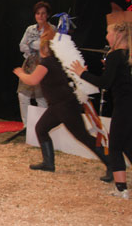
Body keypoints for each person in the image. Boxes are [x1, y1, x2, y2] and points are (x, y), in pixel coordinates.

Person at [13, 25, 111, 178]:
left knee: (83, 137)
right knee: (41, 128)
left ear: (45, 47)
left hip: (64, 105)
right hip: (58, 105)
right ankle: (48, 163)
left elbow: (32, 80)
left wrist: (20, 73)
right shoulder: (55, 61)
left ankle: (112, 164)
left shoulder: (47, 63)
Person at [71, 5, 132, 199]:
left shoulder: (116, 55)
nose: (106, 36)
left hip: (125, 106)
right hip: (131, 105)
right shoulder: (128, 56)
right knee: (129, 145)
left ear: (118, 35)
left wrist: (83, 73)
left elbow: (104, 83)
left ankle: (121, 189)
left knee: (114, 146)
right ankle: (121, 186)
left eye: (108, 32)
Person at [17, 1, 53, 128]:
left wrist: (31, 45)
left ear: (47, 15)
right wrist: (34, 46)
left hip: (43, 65)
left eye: (43, 13)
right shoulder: (30, 29)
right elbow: (22, 46)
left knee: (41, 97)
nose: (40, 16)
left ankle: (41, 126)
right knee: (23, 95)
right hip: (29, 64)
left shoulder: (51, 29)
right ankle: (26, 125)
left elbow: (45, 47)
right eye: (38, 13)